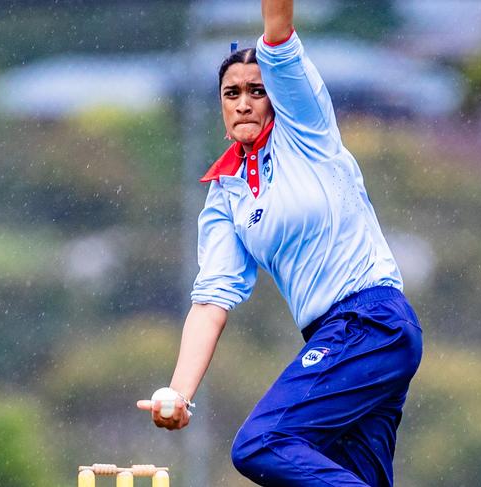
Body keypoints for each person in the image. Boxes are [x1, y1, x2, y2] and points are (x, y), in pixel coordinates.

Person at [138, 1, 423, 485]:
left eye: (256, 90)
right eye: (232, 93)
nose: (244, 102)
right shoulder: (225, 191)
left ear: (278, 97)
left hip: (369, 322)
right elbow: (211, 302)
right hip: (338, 342)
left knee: (261, 443)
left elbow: (277, 28)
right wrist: (180, 393)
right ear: (221, 105)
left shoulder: (305, 131)